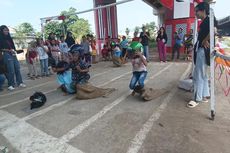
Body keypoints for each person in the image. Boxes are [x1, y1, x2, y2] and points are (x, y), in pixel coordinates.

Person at [187, 2, 211, 108]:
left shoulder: (209, 20)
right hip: (200, 50)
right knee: (203, 74)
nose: (195, 13)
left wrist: (205, 40)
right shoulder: (205, 21)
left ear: (203, 10)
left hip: (203, 51)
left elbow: (214, 31)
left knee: (198, 75)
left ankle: (197, 98)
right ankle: (205, 95)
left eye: (196, 11)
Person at [0, 25, 26, 90]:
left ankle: (20, 82)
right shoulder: (1, 38)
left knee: (17, 68)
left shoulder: (9, 38)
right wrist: (8, 50)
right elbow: (1, 49)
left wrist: (14, 50)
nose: (7, 31)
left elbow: (13, 47)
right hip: (6, 54)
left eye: (7, 30)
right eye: (5, 30)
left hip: (13, 54)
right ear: (1, 31)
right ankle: (10, 85)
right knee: (11, 70)